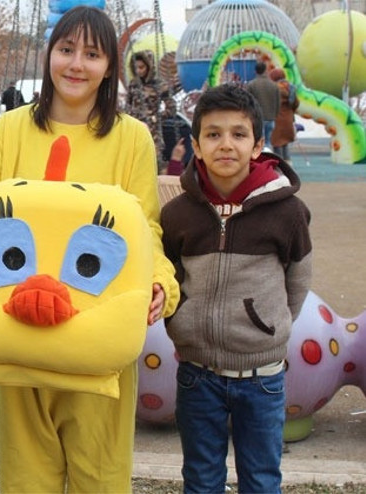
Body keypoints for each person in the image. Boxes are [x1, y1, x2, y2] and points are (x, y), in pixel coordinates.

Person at [0, 6, 178, 492]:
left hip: (96, 346)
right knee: (26, 478)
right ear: (49, 55)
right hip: (21, 331)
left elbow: (144, 228)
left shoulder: (132, 139)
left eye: (92, 54)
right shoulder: (8, 131)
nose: (76, 64)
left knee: (100, 478)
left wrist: (161, 282)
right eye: (66, 49)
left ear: (109, 66)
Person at [161, 83, 312, 493]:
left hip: (261, 378)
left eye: (238, 134)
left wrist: (267, 325)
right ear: (195, 144)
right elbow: (169, 276)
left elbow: (297, 282)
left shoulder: (288, 212)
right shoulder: (177, 215)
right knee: (201, 478)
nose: (226, 144)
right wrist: (184, 323)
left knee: (261, 480)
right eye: (213, 134)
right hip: (197, 375)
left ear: (259, 143)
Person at [126, 50, 177, 172]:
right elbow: (128, 105)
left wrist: (157, 117)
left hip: (152, 132)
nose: (138, 71)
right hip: (134, 128)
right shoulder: (133, 84)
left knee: (153, 162)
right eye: (136, 68)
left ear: (149, 67)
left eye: (141, 67)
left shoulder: (160, 85)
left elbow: (172, 107)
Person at [246, 61, 280, 146]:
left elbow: (247, 102)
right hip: (270, 118)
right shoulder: (274, 85)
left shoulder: (251, 85)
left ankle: (261, 157)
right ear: (266, 70)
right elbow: (278, 103)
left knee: (258, 142)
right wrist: (275, 115)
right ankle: (268, 155)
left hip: (257, 118)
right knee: (268, 142)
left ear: (256, 71)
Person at [269, 67, 300, 161]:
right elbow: (296, 103)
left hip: (277, 119)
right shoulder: (291, 88)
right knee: (285, 143)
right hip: (288, 118)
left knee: (277, 144)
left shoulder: (274, 89)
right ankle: (288, 164)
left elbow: (272, 103)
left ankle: (280, 166)